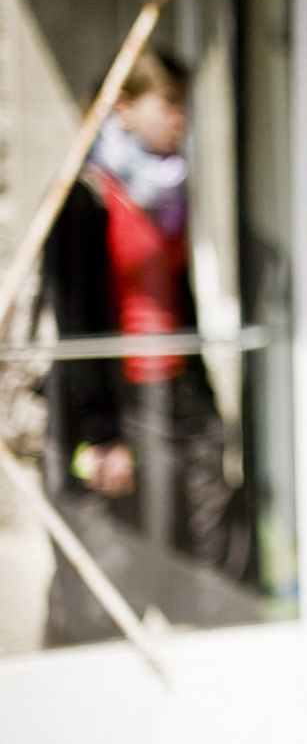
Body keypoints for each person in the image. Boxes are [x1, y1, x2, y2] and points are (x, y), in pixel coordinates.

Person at [41, 48, 242, 644]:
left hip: (176, 394)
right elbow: (77, 320)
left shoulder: (169, 194)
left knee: (198, 549)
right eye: (168, 104)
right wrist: (101, 434)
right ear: (123, 108)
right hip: (121, 402)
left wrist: (205, 399)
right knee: (118, 560)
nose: (181, 118)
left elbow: (182, 301)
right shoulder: (85, 196)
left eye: (185, 105)